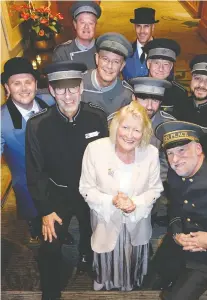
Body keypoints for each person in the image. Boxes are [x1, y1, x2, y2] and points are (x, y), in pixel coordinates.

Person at [25, 61, 108, 300]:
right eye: (60, 89)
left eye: (73, 88)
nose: (68, 95)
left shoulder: (97, 117)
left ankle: (85, 258)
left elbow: (107, 161)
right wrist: (46, 210)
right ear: (51, 90)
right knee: (49, 245)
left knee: (94, 237)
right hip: (57, 194)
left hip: (91, 192)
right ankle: (51, 291)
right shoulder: (38, 125)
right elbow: (35, 171)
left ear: (82, 87)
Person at [79, 101, 163, 291]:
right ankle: (104, 277)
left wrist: (135, 204)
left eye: (136, 130)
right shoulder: (94, 149)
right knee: (106, 249)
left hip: (137, 220)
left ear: (144, 133)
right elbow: (86, 188)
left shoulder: (151, 153)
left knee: (132, 254)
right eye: (125, 127)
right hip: (105, 219)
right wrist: (112, 201)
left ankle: (132, 281)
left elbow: (155, 189)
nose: (130, 135)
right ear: (116, 126)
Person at [150, 120, 207, 299]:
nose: (175, 160)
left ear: (198, 149)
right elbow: (176, 210)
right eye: (170, 153)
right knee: (149, 282)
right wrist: (177, 233)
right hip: (182, 244)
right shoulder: (175, 175)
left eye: (181, 150)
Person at [1, 57, 54, 247]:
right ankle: (36, 229)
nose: (24, 88)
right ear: (7, 88)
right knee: (36, 218)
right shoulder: (2, 121)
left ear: (35, 83)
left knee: (57, 211)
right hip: (27, 185)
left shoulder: (50, 102)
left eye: (28, 82)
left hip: (55, 178)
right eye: (16, 83)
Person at [130, 77, 175, 224]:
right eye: (143, 99)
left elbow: (168, 162)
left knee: (147, 220)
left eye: (155, 100)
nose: (149, 106)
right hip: (122, 182)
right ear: (133, 98)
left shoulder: (169, 125)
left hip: (153, 183)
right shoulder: (116, 121)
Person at [82, 32, 133, 116]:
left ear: (122, 66)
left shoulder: (126, 96)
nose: (110, 66)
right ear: (97, 59)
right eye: (105, 59)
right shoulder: (79, 82)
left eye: (116, 62)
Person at [144, 38, 190, 119]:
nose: (161, 69)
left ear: (171, 67)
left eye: (166, 64)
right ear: (148, 64)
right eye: (156, 63)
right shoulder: (135, 87)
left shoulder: (179, 93)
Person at [52, 1, 101, 69]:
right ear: (75, 24)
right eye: (82, 22)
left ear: (95, 26)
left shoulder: (102, 50)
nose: (86, 27)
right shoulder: (62, 53)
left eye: (90, 23)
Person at [122, 7, 159, 81]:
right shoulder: (125, 51)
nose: (142, 31)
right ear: (134, 27)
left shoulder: (162, 51)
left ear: (153, 27)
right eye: (138, 26)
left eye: (146, 26)